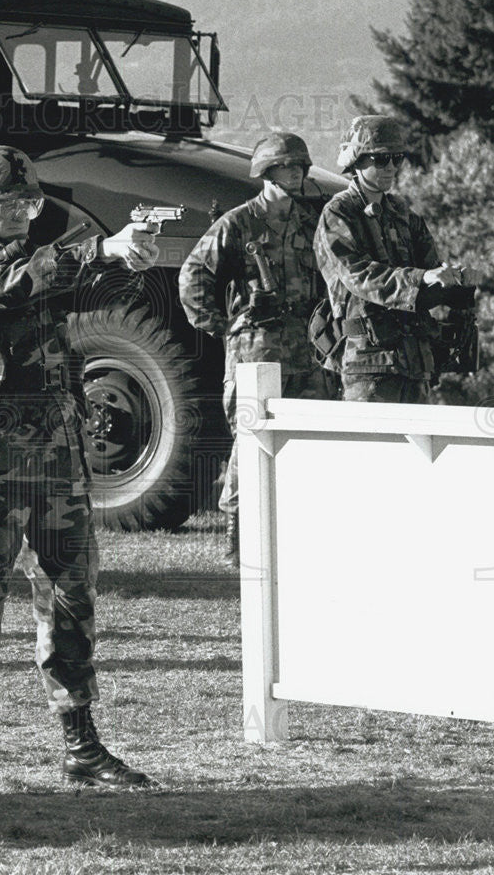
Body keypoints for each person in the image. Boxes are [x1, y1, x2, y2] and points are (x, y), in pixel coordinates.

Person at [0, 144, 160, 801]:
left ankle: (81, 747)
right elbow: (24, 283)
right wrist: (103, 250)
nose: (24, 212)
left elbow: (84, 281)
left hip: (57, 467)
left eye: (29, 202)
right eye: (10, 203)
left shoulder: (41, 263)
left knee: (71, 605)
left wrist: (130, 253)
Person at [178, 131, 332, 567]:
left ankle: (295, 541)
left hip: (307, 350)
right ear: (266, 172)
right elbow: (193, 278)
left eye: (301, 166)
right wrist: (223, 327)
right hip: (256, 352)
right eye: (287, 166)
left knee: (306, 442)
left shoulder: (310, 222)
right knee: (250, 445)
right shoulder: (238, 222)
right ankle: (238, 540)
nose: (297, 173)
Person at [313, 115, 476, 404]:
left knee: (420, 448)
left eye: (396, 158)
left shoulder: (403, 213)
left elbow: (430, 270)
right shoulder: (338, 213)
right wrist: (419, 278)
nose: (391, 167)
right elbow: (359, 276)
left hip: (415, 361)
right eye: (380, 159)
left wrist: (456, 282)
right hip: (369, 363)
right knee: (370, 448)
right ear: (356, 161)